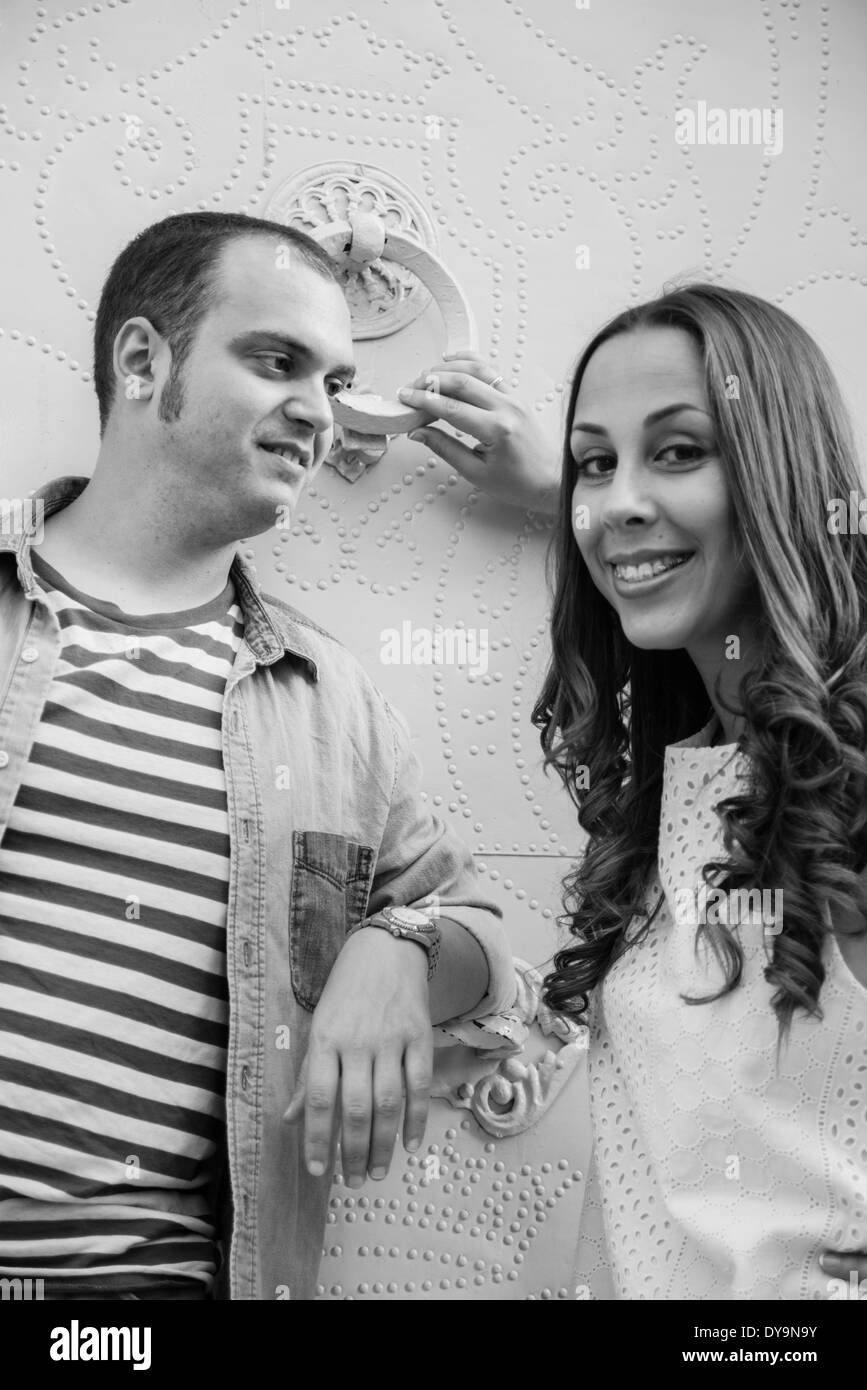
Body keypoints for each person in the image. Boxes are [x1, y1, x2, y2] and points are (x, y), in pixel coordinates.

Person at [0, 211, 516, 1301]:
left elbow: (489, 957)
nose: (317, 414)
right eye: (277, 361)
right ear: (144, 361)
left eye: (333, 381)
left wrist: (403, 944)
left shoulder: (331, 703)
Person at [400, 284, 867, 1299]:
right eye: (595, 463)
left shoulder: (847, 766)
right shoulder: (693, 770)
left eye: (680, 450)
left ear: (784, 472)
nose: (616, 502)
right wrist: (556, 493)